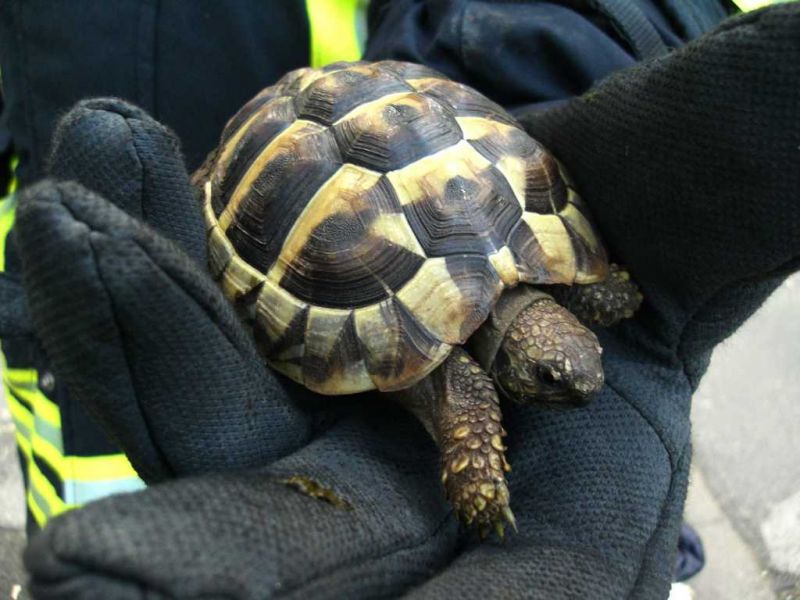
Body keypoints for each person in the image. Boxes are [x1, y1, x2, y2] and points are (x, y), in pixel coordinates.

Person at [1, 1, 797, 597]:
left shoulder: (559, 307)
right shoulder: (467, 385)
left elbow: (585, 311)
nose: (579, 387)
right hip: (269, 165)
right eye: (555, 379)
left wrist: (551, 52)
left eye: (563, 375)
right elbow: (471, 389)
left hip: (420, 99)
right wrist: (478, 482)